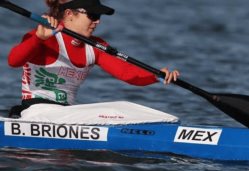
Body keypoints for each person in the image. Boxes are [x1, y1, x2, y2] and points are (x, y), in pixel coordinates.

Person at [7, 0, 180, 117]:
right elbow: (13, 61)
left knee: (121, 108)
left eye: (99, 17)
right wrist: (38, 39)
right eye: (93, 16)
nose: (97, 22)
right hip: (36, 111)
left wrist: (156, 76)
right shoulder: (45, 36)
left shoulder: (95, 46)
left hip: (66, 114)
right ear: (69, 14)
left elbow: (127, 73)